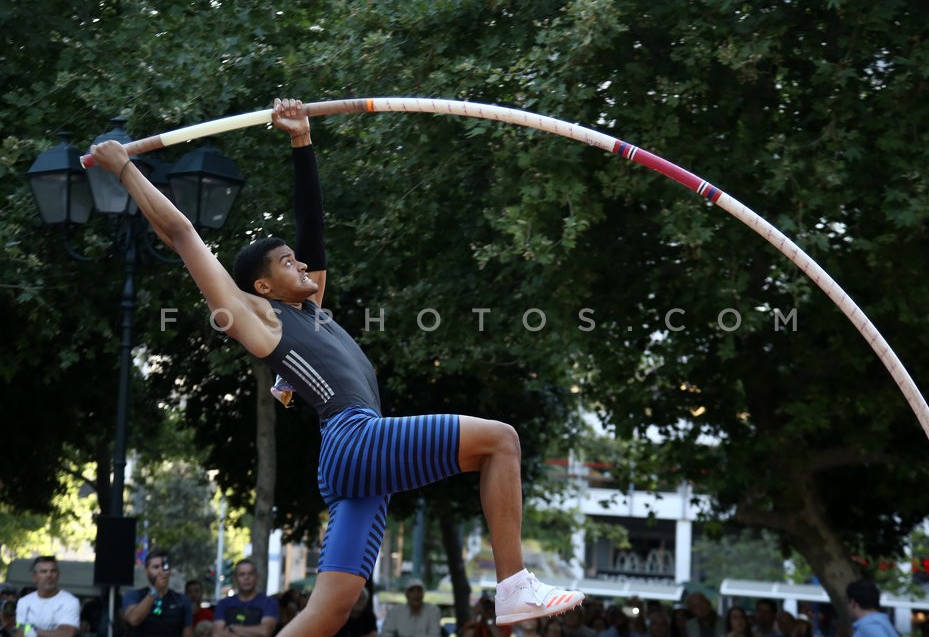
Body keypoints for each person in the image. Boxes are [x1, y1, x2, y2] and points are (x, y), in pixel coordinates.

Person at [89, 98, 583, 634]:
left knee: (332, 607)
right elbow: (182, 234)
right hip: (354, 440)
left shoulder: (310, 308)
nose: (300, 264)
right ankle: (514, 588)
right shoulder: (257, 318)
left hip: (353, 462)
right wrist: (124, 169)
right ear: (261, 286)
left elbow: (312, 228)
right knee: (502, 440)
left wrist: (302, 141)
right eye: (286, 263)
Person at [122, 549, 193, 637]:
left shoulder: (182, 600)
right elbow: (133, 619)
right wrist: (155, 590)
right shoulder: (134, 595)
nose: (160, 571)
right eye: (156, 567)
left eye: (164, 567)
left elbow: (187, 632)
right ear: (146, 571)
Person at [13, 556, 80, 637]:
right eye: (44, 571)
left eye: (53, 571)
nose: (49, 575)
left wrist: (31, 629)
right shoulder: (23, 602)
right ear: (34, 577)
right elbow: (18, 633)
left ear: (58, 575)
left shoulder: (70, 602)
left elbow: (66, 634)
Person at [212, 560, 278, 637]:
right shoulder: (223, 604)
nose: (246, 577)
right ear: (235, 579)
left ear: (257, 577)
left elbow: (264, 631)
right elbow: (217, 634)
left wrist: (232, 627)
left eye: (250, 574)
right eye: (242, 574)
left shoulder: (269, 603)